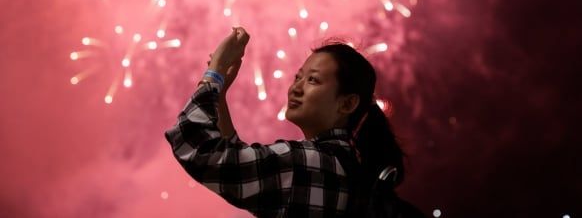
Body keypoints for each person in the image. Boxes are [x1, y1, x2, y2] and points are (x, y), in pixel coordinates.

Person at [164, 26, 407, 217]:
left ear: (347, 104)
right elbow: (240, 161)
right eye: (297, 77)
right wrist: (221, 96)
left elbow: (196, 146)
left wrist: (214, 72)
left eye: (313, 80)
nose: (295, 88)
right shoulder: (347, 165)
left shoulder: (308, 162)